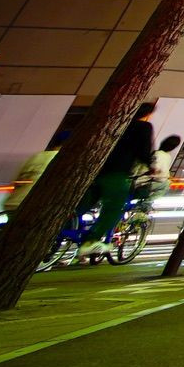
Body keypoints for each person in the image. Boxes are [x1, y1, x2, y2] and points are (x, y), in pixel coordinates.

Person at [78, 102, 156, 258]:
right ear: (148, 114)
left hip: (94, 171)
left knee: (82, 207)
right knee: (113, 208)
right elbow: (143, 151)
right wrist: (150, 166)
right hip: (117, 172)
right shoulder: (143, 127)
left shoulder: (113, 123)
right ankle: (91, 241)